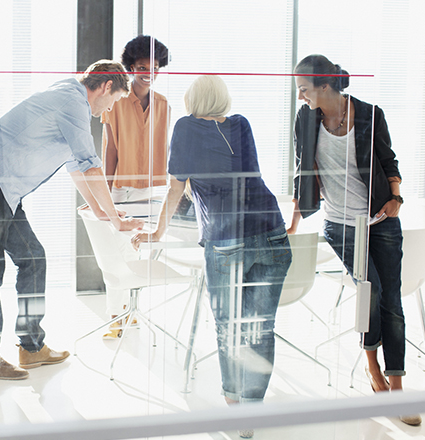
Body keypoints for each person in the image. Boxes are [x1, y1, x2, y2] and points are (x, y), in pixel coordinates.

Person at [0, 60, 144, 380]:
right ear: (105, 87)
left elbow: (76, 166)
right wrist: (115, 220)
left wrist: (102, 212)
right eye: (112, 102)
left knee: (33, 257)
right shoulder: (73, 103)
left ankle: (31, 347)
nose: (106, 112)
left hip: (3, 188)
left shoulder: (68, 95)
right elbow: (90, 166)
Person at [133, 75, 291, 438]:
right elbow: (238, 174)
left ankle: (236, 407)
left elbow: (176, 187)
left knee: (229, 326)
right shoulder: (241, 124)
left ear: (193, 102)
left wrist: (156, 232)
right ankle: (251, 409)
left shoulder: (186, 127)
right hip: (271, 232)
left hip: (228, 240)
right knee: (260, 327)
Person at [289, 54, 420, 426]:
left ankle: (396, 389)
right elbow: (303, 169)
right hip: (340, 224)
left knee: (391, 301)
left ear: (325, 85)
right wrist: (295, 220)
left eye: (304, 89)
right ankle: (372, 367)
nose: (301, 97)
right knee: (372, 291)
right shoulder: (306, 119)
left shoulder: (370, 114)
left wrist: (395, 199)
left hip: (380, 221)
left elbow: (389, 161)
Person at [100, 35, 170, 338]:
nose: (148, 72)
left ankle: (130, 313)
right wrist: (105, 195)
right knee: (116, 254)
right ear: (131, 67)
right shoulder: (115, 102)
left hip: (154, 191)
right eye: (142, 66)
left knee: (138, 256)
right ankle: (116, 315)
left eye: (154, 67)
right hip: (121, 189)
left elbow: (166, 149)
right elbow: (110, 150)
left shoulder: (164, 105)